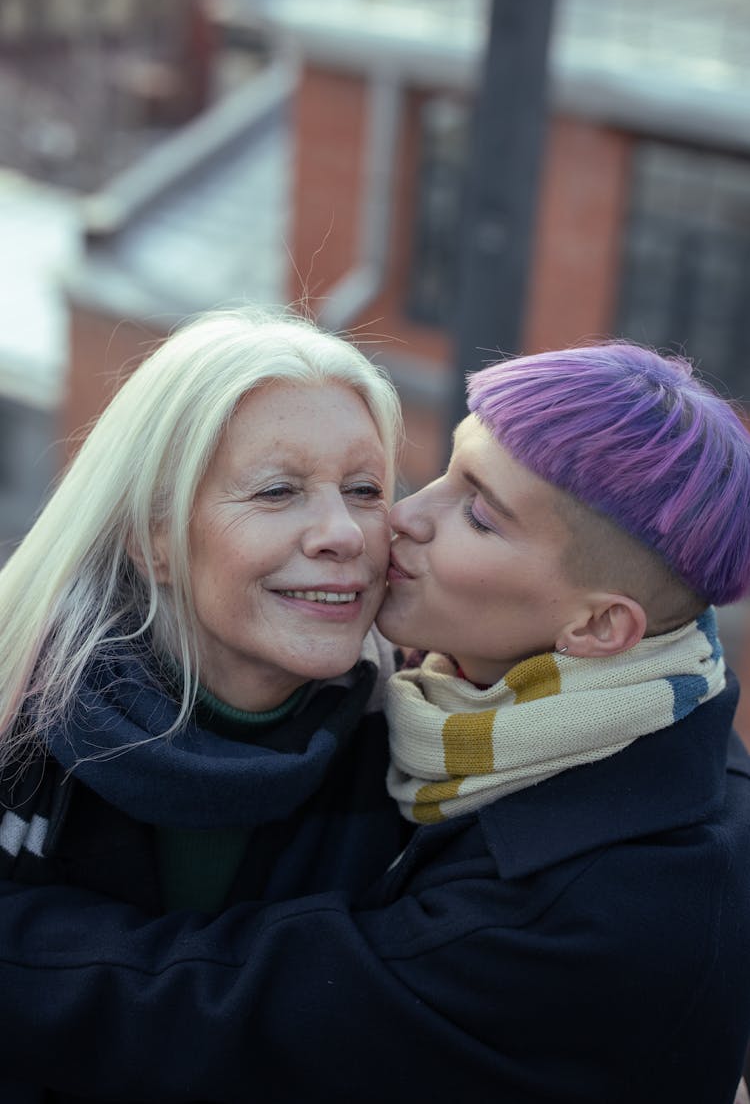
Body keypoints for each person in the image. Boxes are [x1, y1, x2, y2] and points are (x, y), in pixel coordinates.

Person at [1, 340, 750, 1104]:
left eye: (479, 515)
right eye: (276, 491)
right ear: (151, 535)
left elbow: (240, 1020)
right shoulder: (480, 728)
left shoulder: (621, 896)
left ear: (598, 629)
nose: (392, 519)